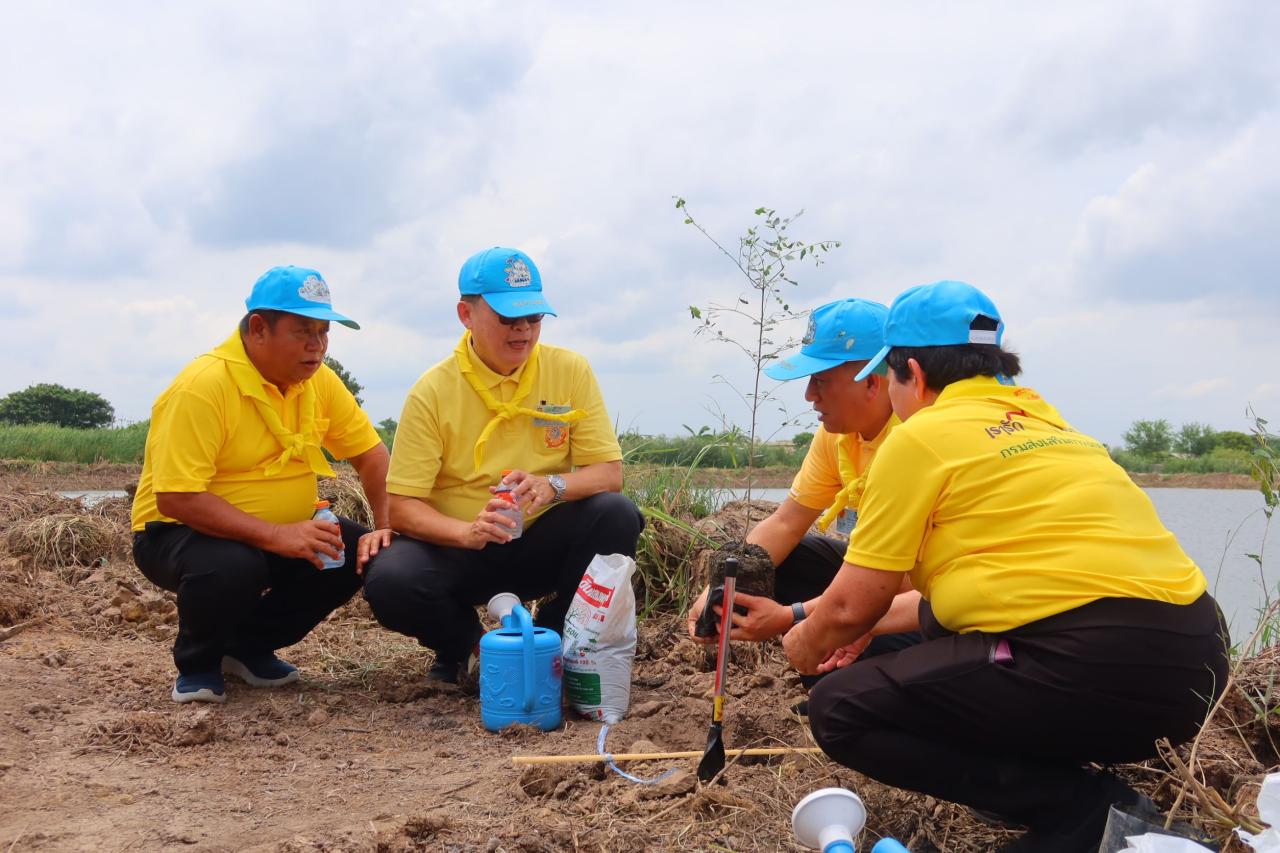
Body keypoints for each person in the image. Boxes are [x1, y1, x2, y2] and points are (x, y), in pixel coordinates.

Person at [782, 280, 1230, 852]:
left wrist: (802, 643)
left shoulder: (921, 437)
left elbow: (848, 605)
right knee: (946, 628)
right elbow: (994, 588)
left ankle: (1088, 811)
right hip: (1196, 666)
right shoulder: (1056, 428)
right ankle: (1071, 798)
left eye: (889, 376)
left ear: (912, 374)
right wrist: (867, 624)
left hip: (1084, 662)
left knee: (840, 709)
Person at [363, 247, 644, 683]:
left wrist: (552, 485)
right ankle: (471, 648)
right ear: (466, 314)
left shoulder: (569, 370)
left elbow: (609, 474)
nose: (523, 330)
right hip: (461, 552)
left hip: (538, 544)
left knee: (616, 514)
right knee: (391, 580)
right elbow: (402, 507)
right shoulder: (432, 391)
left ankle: (551, 640)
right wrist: (468, 533)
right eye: (507, 318)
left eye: (533, 318)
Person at [131, 266, 392, 704]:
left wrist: (387, 527)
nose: (317, 345)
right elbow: (177, 497)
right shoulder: (203, 386)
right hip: (176, 534)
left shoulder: (319, 381)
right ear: (258, 329)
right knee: (233, 565)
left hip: (281, 530)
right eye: (302, 331)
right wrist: (277, 535)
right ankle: (198, 663)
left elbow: (371, 455)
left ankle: (245, 648)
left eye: (324, 332)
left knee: (351, 550)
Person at [685, 298, 919, 666]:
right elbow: (786, 521)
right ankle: (828, 675)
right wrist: (717, 587)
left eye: (821, 381)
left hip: (916, 594)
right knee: (777, 560)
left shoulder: (915, 440)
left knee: (859, 613)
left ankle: (869, 674)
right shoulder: (837, 435)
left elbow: (899, 582)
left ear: (872, 382)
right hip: (875, 578)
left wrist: (793, 615)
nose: (809, 395)